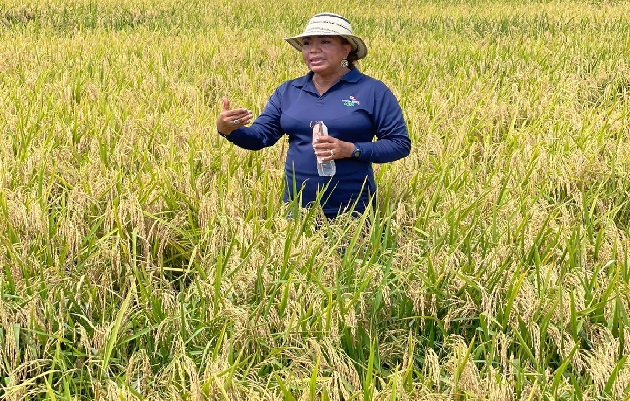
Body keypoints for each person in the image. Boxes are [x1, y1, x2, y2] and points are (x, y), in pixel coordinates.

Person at [216, 12, 411, 219]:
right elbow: (260, 137)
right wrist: (229, 130)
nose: (313, 50)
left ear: (346, 50)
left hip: (352, 213)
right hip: (297, 211)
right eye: (307, 44)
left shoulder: (372, 91)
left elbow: (399, 144)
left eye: (325, 42)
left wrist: (350, 149)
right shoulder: (288, 91)